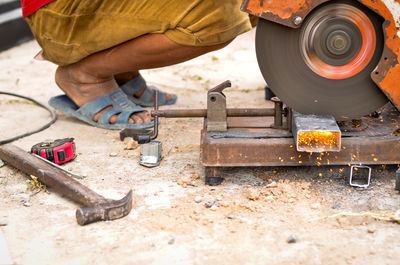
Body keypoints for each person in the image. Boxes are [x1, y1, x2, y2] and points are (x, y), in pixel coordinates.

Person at [21, 0, 256, 129]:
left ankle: (121, 68)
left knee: (266, 2)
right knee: (218, 11)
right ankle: (84, 76)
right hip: (60, 8)